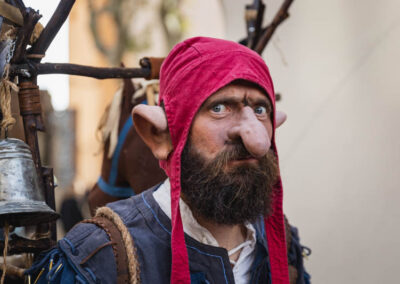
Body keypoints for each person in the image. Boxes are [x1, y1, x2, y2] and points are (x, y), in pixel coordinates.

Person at [27, 37, 310, 284]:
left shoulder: (282, 242)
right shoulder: (97, 256)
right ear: (161, 135)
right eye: (220, 108)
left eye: (260, 110)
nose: (254, 138)